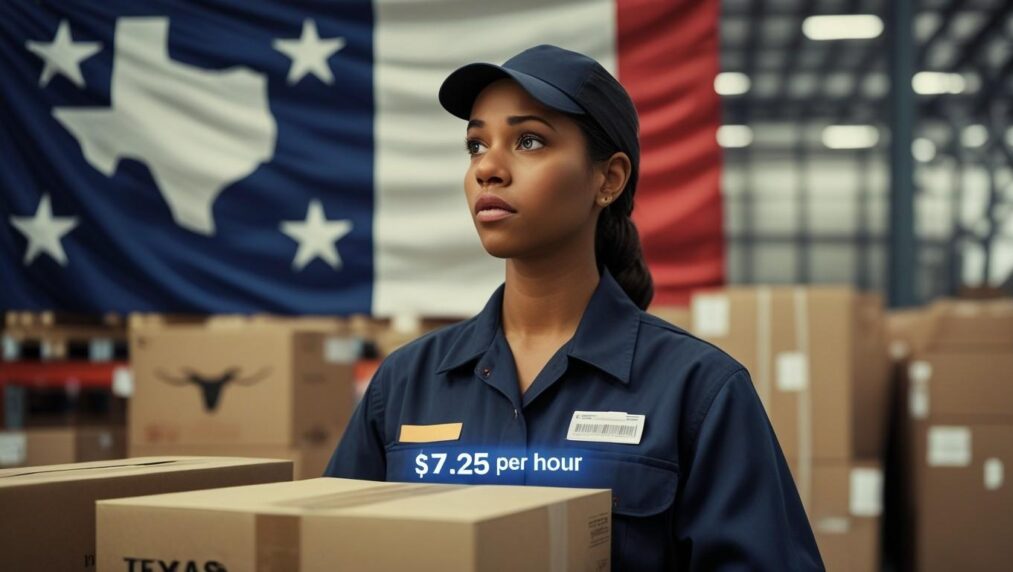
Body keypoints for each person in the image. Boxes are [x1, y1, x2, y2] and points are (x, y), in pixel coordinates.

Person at [325, 44, 823, 571]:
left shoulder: (697, 389)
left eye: (529, 140)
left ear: (608, 179)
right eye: (475, 145)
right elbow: (329, 546)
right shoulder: (405, 384)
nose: (488, 168)